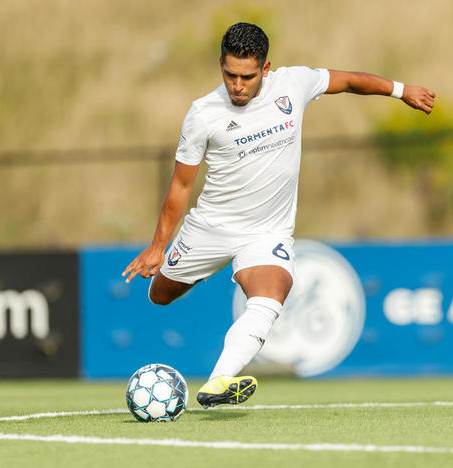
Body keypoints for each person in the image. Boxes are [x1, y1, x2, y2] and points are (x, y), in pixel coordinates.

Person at [122, 22, 435, 407]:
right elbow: (181, 186)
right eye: (230, 75)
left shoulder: (293, 84)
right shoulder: (203, 114)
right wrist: (158, 246)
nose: (238, 85)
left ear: (266, 68)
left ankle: (218, 383)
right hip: (210, 229)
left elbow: (351, 81)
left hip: (266, 232)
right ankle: (205, 268)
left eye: (247, 77)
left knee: (273, 294)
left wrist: (402, 91)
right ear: (220, 64)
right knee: (160, 296)